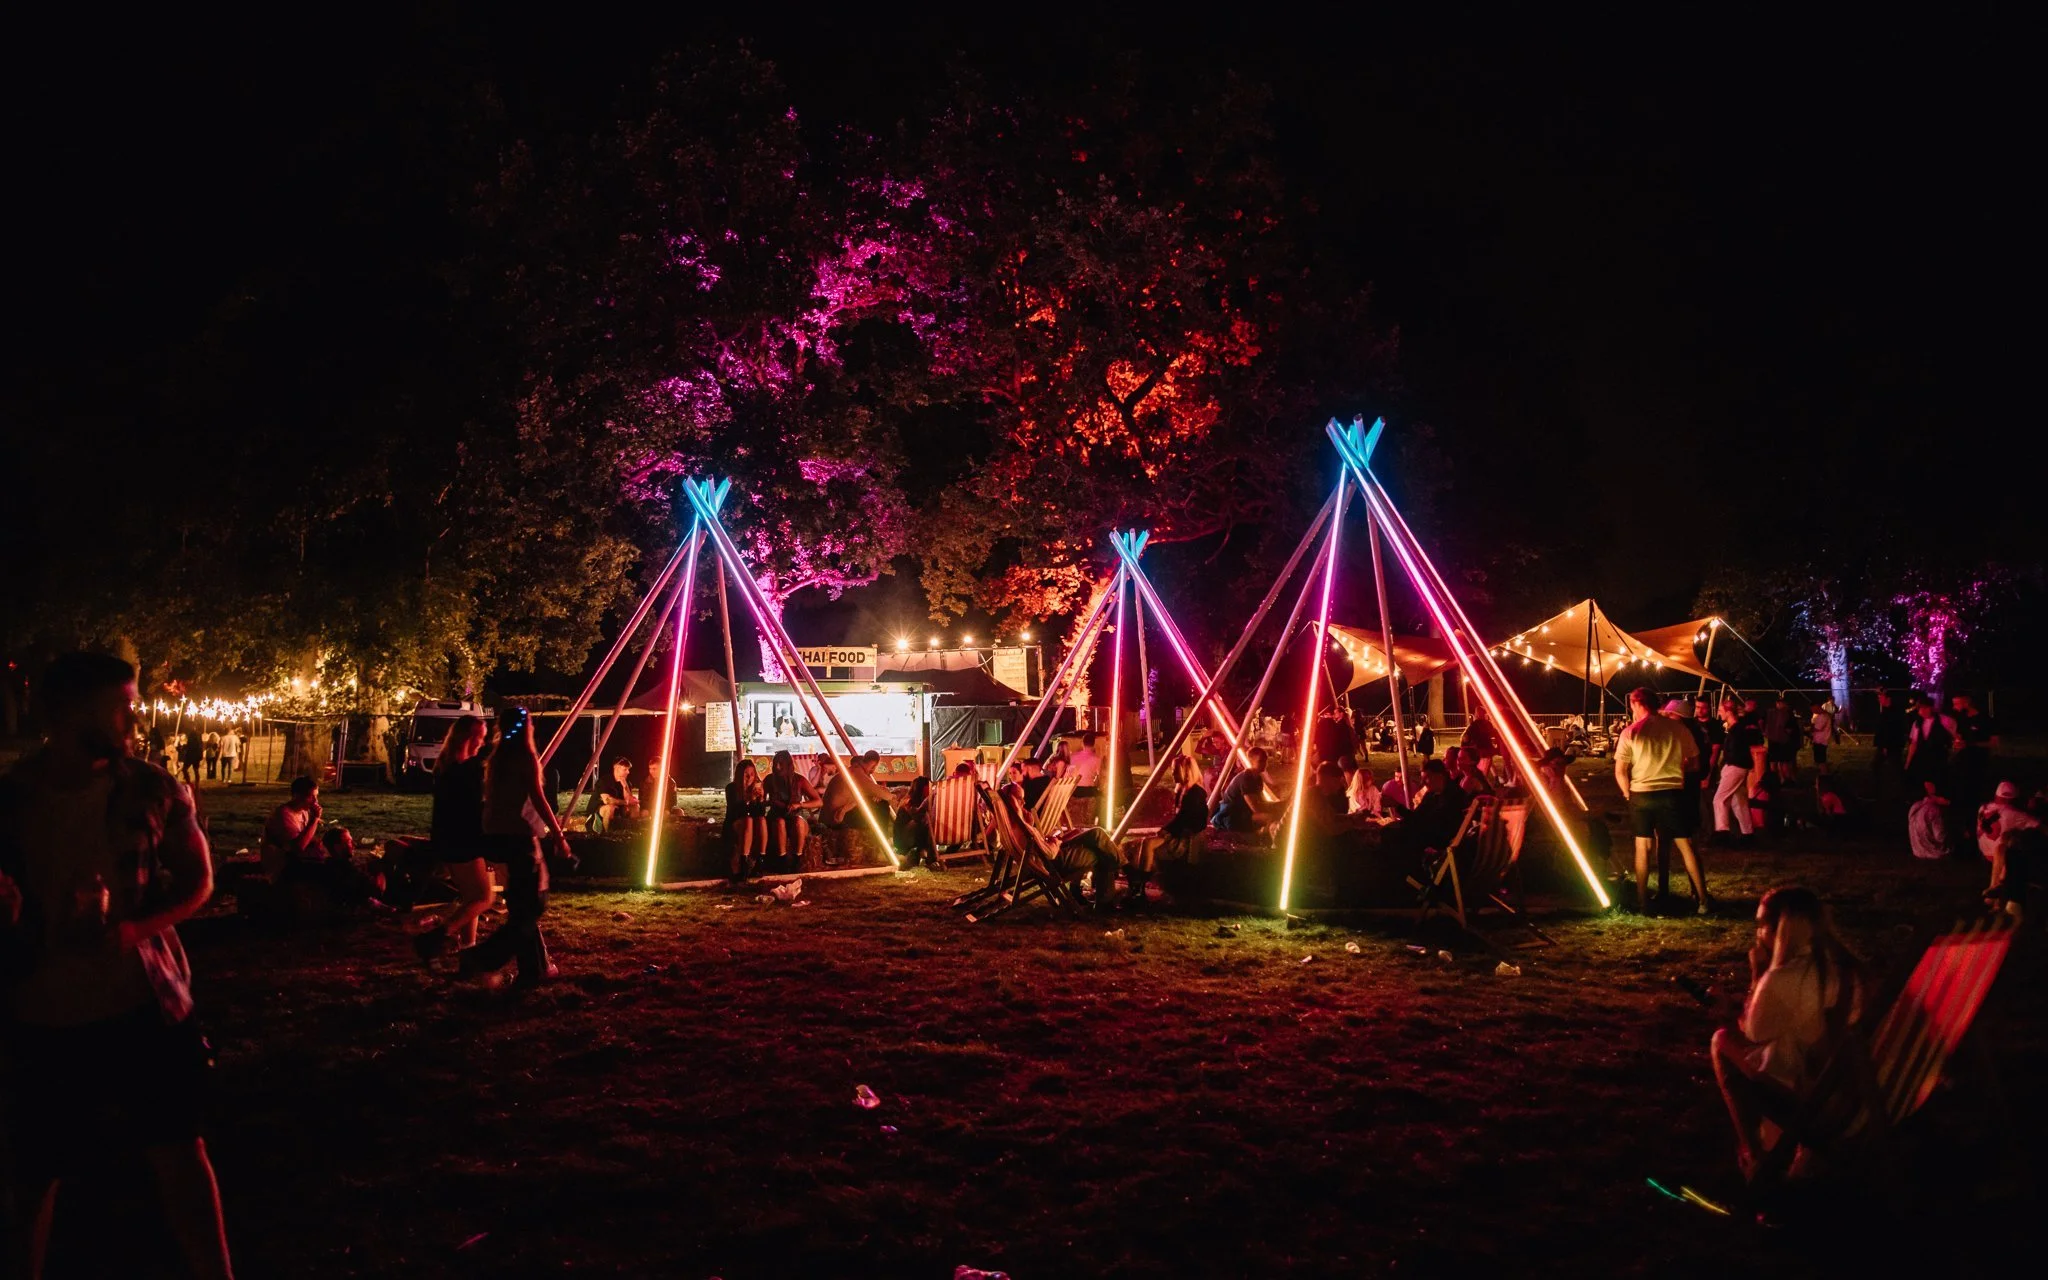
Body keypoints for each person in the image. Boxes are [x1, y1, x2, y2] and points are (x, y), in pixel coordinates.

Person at [0, 652, 235, 1279]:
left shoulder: (153, 788)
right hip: (41, 1012)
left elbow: (200, 879)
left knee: (180, 1153)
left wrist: (134, 930)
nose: (135, 716)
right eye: (123, 704)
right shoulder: (12, 801)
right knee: (33, 1173)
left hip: (143, 1007)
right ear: (68, 712)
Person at [1709, 887, 1864, 1183]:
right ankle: (1791, 1153)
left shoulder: (1785, 977)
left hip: (1813, 1101)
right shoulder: (1849, 970)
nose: (1757, 933)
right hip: (1854, 1097)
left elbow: (1753, 1032)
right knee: (1786, 1042)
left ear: (1782, 927)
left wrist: (1758, 974)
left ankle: (1757, 1158)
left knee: (1722, 1041)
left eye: (1761, 924)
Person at [461, 706, 569, 990]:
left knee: (522, 905)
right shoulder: (524, 756)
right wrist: (558, 835)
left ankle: (534, 970)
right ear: (527, 727)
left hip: (497, 837)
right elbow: (538, 797)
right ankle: (480, 957)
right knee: (532, 905)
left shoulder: (497, 758)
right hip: (518, 837)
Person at [1614, 685, 1710, 914]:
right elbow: (1695, 763)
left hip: (1641, 792)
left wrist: (1628, 793)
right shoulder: (1677, 729)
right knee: (1685, 845)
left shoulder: (1631, 731)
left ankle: (1642, 902)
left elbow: (1620, 770)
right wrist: (1676, 769)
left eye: (1632, 707)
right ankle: (1704, 900)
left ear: (1638, 704)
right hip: (1671, 792)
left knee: (1643, 846)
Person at [416, 715, 490, 958]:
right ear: (469, 737)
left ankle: (468, 949)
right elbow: (473, 809)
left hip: (448, 838)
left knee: (471, 897)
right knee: (484, 896)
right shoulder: (468, 770)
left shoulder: (446, 766)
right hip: (464, 840)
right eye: (481, 736)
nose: (483, 741)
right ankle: (437, 938)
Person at [1975, 780, 2039, 899]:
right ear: (2012, 799)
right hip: (1999, 857)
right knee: (2014, 840)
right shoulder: (2014, 813)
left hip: (1984, 854)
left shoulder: (1982, 808)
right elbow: (2038, 825)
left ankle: (1994, 891)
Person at [1711, 698, 1764, 843]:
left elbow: (1737, 751)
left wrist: (1728, 764)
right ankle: (1747, 833)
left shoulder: (1736, 731)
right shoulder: (1736, 729)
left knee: (1719, 799)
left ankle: (1722, 832)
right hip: (1740, 767)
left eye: (1721, 711)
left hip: (1735, 767)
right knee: (1738, 801)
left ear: (1728, 712)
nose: (1719, 713)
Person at [763, 750, 823, 869]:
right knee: (780, 822)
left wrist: (800, 805)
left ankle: (797, 858)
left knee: (798, 822)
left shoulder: (799, 780)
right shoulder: (770, 779)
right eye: (775, 764)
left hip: (795, 816)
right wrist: (770, 801)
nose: (777, 767)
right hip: (776, 817)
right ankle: (782, 859)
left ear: (788, 765)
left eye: (780, 764)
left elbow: (819, 801)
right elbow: (762, 802)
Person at [260, 776, 326, 882]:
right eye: (311, 797)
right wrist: (315, 820)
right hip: (280, 867)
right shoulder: (283, 815)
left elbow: (305, 840)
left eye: (316, 797)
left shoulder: (304, 812)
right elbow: (297, 848)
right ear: (296, 796)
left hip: (294, 861)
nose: (315, 801)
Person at [823, 749, 897, 828]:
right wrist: (893, 796)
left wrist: (877, 794)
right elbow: (886, 796)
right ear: (874, 764)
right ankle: (880, 836)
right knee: (882, 805)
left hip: (830, 815)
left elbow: (875, 789)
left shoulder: (853, 770)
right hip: (834, 818)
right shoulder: (858, 774)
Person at [1209, 748, 1277, 834]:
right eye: (1261, 761)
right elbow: (1255, 807)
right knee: (1270, 817)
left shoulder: (1258, 778)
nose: (1264, 764)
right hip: (1233, 816)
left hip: (1243, 812)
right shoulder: (1246, 778)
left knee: (1274, 813)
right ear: (1251, 761)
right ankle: (1263, 838)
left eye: (1265, 761)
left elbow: (1261, 801)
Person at [1902, 696, 1956, 801]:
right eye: (1920, 709)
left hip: (1938, 757)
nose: (1922, 712)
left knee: (1937, 782)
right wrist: (1908, 762)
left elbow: (1955, 737)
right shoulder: (1917, 723)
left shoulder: (1945, 720)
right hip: (1922, 757)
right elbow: (1914, 743)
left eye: (1925, 708)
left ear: (1931, 707)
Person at [1950, 693, 1997, 814]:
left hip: (1978, 761)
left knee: (1976, 790)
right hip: (1962, 761)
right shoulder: (1961, 719)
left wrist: (1972, 744)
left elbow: (1993, 743)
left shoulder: (1985, 720)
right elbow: (1959, 735)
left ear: (1966, 703)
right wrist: (1957, 741)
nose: (1954, 707)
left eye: (1956, 704)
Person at [725, 759, 770, 877]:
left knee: (761, 820)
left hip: (752, 826)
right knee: (748, 820)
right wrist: (748, 799)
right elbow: (735, 811)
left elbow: (760, 814)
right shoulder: (731, 788)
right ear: (740, 774)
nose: (749, 777)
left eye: (752, 774)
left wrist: (760, 800)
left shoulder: (756, 788)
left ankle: (761, 859)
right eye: (746, 774)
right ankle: (743, 862)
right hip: (735, 823)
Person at [892, 775, 936, 869]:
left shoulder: (923, 800)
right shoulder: (908, 802)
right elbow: (918, 818)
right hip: (904, 839)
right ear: (921, 789)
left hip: (911, 835)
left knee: (927, 823)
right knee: (921, 823)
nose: (931, 790)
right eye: (928, 787)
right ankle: (925, 855)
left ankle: (927, 855)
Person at [594, 756, 641, 833]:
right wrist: (625, 802)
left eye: (628, 769)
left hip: (618, 807)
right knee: (610, 808)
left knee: (635, 807)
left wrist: (625, 787)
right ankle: (607, 834)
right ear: (617, 769)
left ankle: (632, 832)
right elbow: (607, 800)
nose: (628, 772)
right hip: (599, 808)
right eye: (625, 769)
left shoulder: (626, 782)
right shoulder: (605, 780)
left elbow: (629, 800)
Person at [1907, 781, 1950, 860]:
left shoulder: (1915, 806)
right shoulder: (1934, 810)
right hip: (1934, 854)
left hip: (1917, 852)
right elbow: (1940, 837)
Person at [1762, 693, 1798, 783]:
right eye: (1779, 703)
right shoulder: (1785, 714)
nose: (1780, 705)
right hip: (1782, 740)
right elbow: (1789, 729)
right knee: (1782, 760)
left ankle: (1779, 778)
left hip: (1775, 739)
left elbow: (1762, 722)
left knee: (1777, 760)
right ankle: (1783, 778)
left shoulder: (1770, 712)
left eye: (1781, 703)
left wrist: (1765, 732)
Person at [1871, 689, 1907, 782]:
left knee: (1894, 765)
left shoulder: (1893, 713)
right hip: (1886, 744)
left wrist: (1885, 746)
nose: (1879, 700)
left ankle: (1901, 782)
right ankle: (1879, 781)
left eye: (1881, 697)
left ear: (1888, 698)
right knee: (1878, 764)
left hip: (1891, 744)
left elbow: (1891, 730)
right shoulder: (1885, 711)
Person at [1460, 706, 1497, 771]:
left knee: (1483, 766)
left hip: (1481, 749)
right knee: (1486, 765)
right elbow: (1493, 733)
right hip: (1484, 748)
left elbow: (1466, 737)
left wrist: (1464, 746)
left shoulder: (1475, 725)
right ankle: (1493, 777)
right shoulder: (1485, 724)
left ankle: (1492, 777)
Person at [1807, 699, 1836, 774]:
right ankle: (1823, 775)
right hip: (1819, 740)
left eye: (1812, 709)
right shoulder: (1822, 715)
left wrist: (1809, 729)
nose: (1812, 711)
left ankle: (1824, 776)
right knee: (1820, 761)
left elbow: (1817, 728)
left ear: (1816, 707)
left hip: (1821, 741)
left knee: (1821, 761)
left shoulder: (1823, 716)